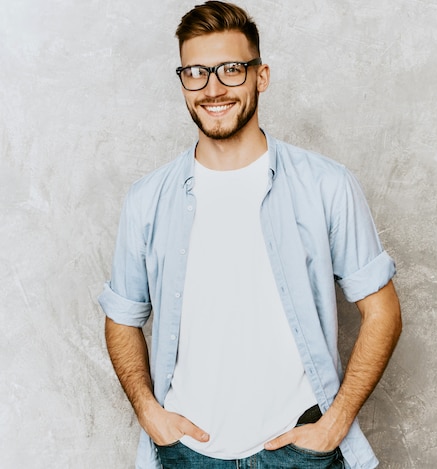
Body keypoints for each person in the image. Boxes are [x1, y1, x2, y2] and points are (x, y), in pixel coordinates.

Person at [98, 2, 402, 468]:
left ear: (261, 76)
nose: (213, 88)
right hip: (187, 453)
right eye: (196, 72)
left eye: (231, 70)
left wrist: (335, 423)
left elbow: (382, 312)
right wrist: (149, 412)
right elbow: (122, 318)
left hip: (299, 453)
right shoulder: (146, 201)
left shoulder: (326, 185)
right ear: (182, 81)